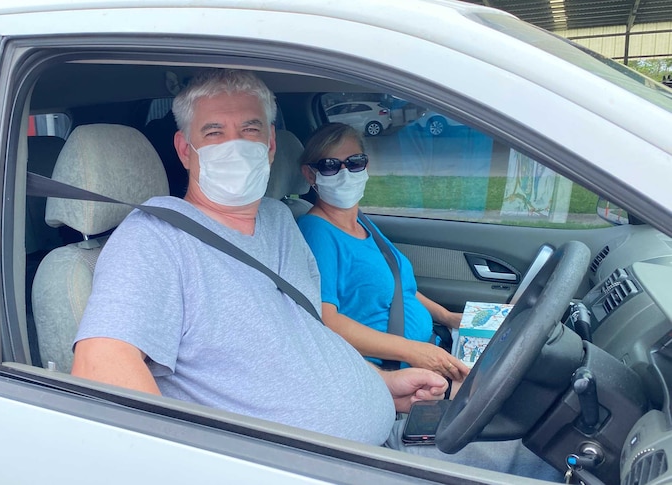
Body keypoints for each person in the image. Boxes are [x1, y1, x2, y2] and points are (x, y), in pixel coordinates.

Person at [71, 69, 559, 480]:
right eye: (214, 133)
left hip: (387, 433)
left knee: (547, 449)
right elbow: (101, 370)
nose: (235, 145)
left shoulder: (279, 222)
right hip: (318, 467)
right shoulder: (154, 238)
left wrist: (382, 385)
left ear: (270, 145)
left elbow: (307, 337)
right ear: (184, 150)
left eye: (251, 129)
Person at [296, 123, 470, 384]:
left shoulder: (361, 223)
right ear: (310, 175)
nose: (345, 173)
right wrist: (415, 352)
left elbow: (399, 288)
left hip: (430, 352)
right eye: (330, 165)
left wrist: (447, 317)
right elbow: (326, 320)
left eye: (355, 162)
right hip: (397, 374)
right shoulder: (316, 232)